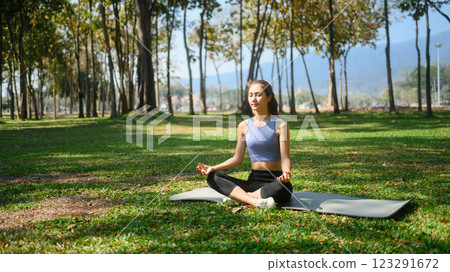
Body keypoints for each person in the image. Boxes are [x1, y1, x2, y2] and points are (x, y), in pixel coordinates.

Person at [195, 80, 293, 209]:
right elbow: (237, 159)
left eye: (258, 94)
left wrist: (286, 173)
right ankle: (254, 201)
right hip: (253, 181)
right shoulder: (244, 126)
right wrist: (213, 168)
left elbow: (285, 157)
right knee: (213, 177)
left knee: (284, 187)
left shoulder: (280, 125)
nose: (254, 99)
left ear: (269, 97)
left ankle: (241, 198)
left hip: (274, 181)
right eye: (250, 95)